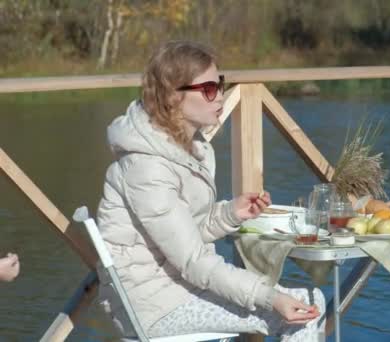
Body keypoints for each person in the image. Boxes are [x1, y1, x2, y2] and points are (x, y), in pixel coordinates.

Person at [96, 40, 325, 341]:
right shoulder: (147, 168)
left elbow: (183, 236)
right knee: (302, 312)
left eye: (220, 84)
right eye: (208, 89)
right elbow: (193, 261)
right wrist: (270, 298)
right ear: (172, 97)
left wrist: (230, 213)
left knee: (311, 300)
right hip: (153, 307)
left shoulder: (186, 147)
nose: (219, 96)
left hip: (180, 288)